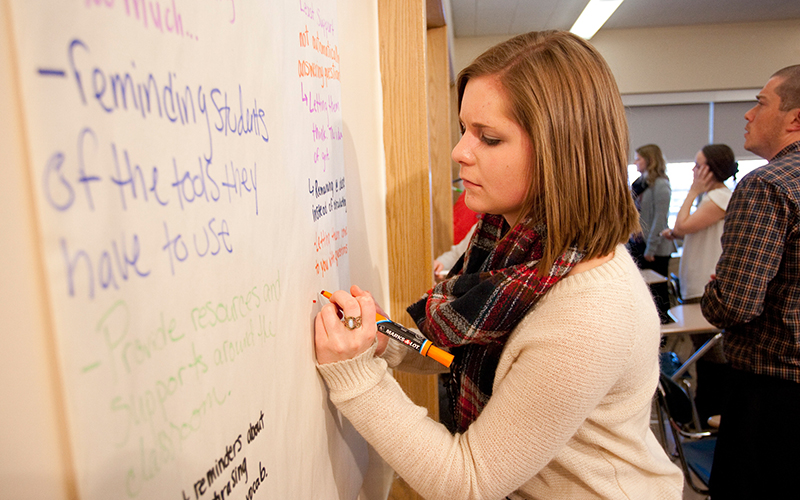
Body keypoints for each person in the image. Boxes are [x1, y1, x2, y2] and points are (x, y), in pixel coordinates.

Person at [313, 31, 683, 499]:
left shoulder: (591, 312)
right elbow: (452, 347)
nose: (460, 152)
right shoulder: (516, 248)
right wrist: (379, 337)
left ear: (560, 152)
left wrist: (356, 377)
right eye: (465, 129)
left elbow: (469, 481)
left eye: (488, 138)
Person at [701, 65, 800, 498]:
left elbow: (736, 304)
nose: (747, 115)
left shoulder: (767, 185)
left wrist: (716, 289)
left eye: (760, 103)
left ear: (794, 119)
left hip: (772, 397)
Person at [660, 144, 738, 424]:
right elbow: (685, 228)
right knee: (704, 358)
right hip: (695, 287)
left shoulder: (718, 197)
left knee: (711, 359)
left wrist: (692, 192)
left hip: (705, 287)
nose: (693, 170)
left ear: (710, 169)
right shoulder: (712, 199)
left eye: (697, 165)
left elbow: (681, 227)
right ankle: (705, 414)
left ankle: (709, 416)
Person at [629, 144, 676, 278]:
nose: (635, 162)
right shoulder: (640, 183)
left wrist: (651, 249)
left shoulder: (661, 184)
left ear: (649, 160)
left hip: (654, 250)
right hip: (638, 243)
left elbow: (659, 219)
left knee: (656, 291)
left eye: (638, 159)